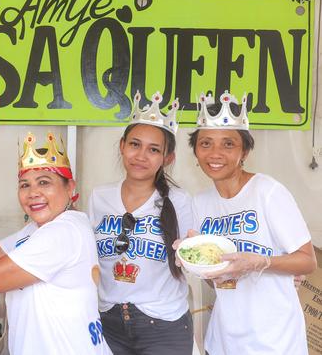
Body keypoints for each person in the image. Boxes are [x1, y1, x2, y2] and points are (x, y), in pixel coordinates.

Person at [0, 132, 112, 355]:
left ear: (70, 187)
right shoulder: (38, 228)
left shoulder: (65, 231)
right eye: (24, 185)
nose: (33, 193)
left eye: (44, 182)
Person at [181, 90, 316, 354]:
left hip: (274, 340)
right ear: (195, 151)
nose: (215, 153)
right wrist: (196, 262)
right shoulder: (200, 202)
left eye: (228, 144)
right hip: (224, 339)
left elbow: (307, 261)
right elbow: (215, 280)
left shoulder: (267, 191)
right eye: (205, 143)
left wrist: (261, 262)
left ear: (245, 151)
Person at [88, 91, 194, 355]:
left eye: (154, 149)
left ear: (167, 158)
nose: (141, 156)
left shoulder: (179, 201)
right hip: (108, 322)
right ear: (122, 145)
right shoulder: (99, 197)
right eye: (135, 144)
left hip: (164, 325)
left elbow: (197, 256)